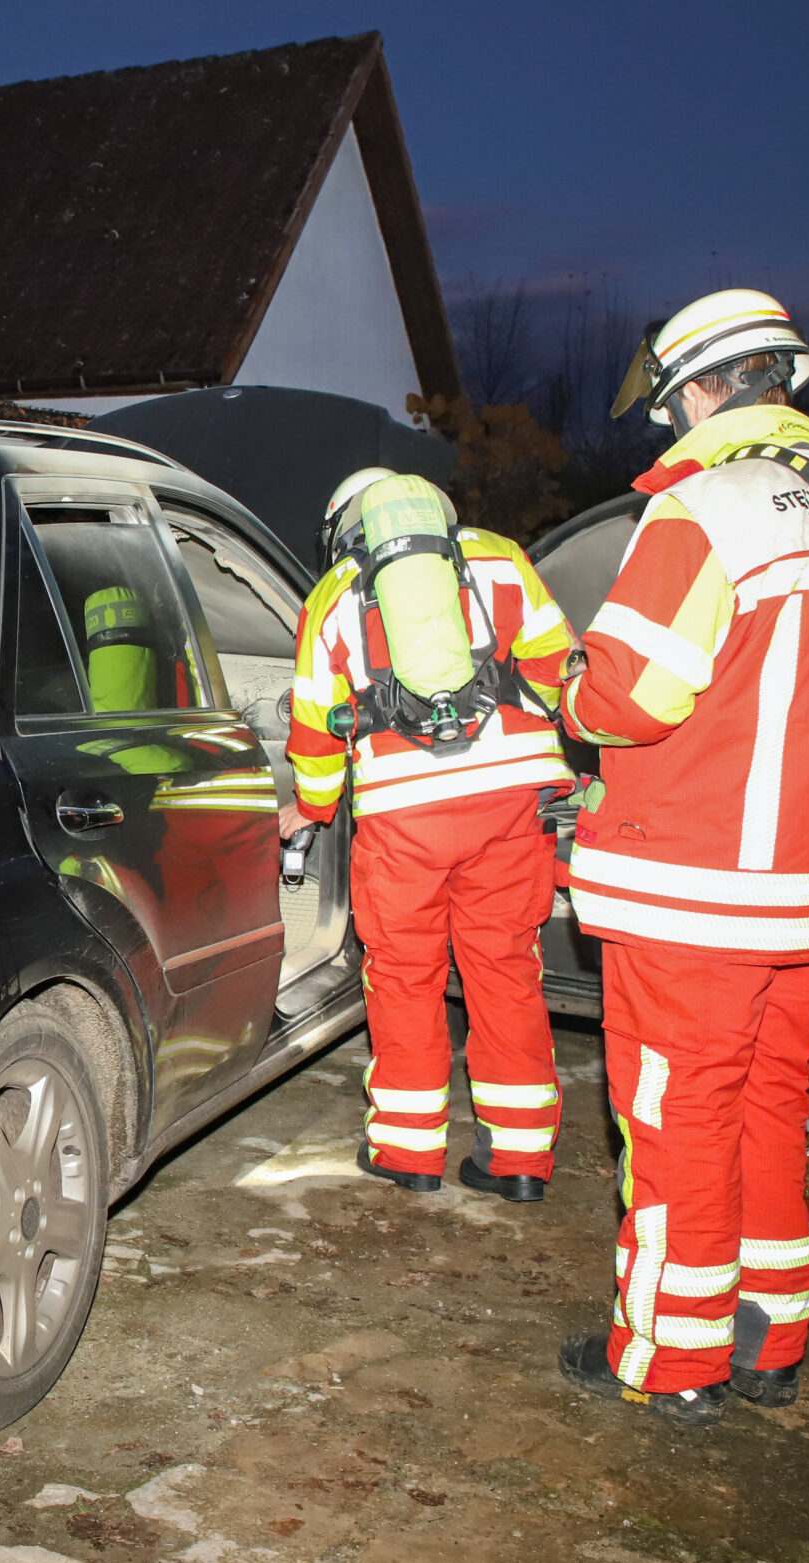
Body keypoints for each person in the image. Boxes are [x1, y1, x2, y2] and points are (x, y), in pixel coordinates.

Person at [556, 288, 809, 1424]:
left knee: (675, 1123)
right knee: (769, 1107)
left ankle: (669, 1362)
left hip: (692, 896)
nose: (667, 422)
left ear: (708, 389)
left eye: (671, 402)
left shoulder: (701, 512)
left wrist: (568, 682)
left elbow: (630, 697)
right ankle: (770, 1340)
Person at [280, 471, 577, 1200]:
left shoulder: (331, 596)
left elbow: (316, 726)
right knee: (505, 970)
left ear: (344, 526)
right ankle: (520, 1162)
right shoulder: (499, 558)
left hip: (404, 815)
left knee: (405, 977)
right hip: (509, 804)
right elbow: (559, 666)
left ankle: (408, 1152)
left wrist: (313, 809)